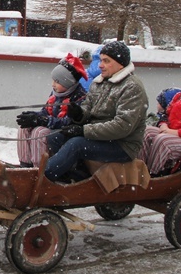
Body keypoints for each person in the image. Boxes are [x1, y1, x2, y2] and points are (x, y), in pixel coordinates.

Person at [44, 40, 149, 183]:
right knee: (55, 136)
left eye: (106, 61)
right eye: (101, 60)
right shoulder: (100, 82)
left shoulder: (132, 87)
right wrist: (79, 114)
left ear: (121, 63)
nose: (100, 65)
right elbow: (89, 108)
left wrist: (83, 130)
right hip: (100, 138)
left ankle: (44, 177)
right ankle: (73, 176)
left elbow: (122, 126)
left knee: (76, 145)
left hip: (122, 145)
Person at [15, 54, 88, 167]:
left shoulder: (79, 98)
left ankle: (39, 168)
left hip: (65, 131)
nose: (53, 84)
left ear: (68, 82)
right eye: (53, 80)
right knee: (24, 128)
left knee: (39, 132)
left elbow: (67, 121)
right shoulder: (57, 93)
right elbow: (45, 112)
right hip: (52, 125)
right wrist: (33, 116)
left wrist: (42, 120)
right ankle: (24, 164)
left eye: (57, 81)